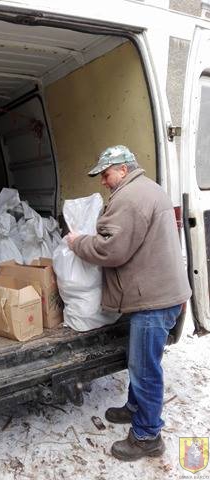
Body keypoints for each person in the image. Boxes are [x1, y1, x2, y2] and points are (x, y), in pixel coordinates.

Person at [66, 145, 191, 461]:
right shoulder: (147, 189)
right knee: (143, 363)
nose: (103, 181)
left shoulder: (131, 198)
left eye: (105, 174)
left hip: (153, 300)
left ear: (122, 168)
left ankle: (148, 436)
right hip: (160, 293)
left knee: (145, 368)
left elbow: (112, 250)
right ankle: (135, 408)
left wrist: (77, 242)